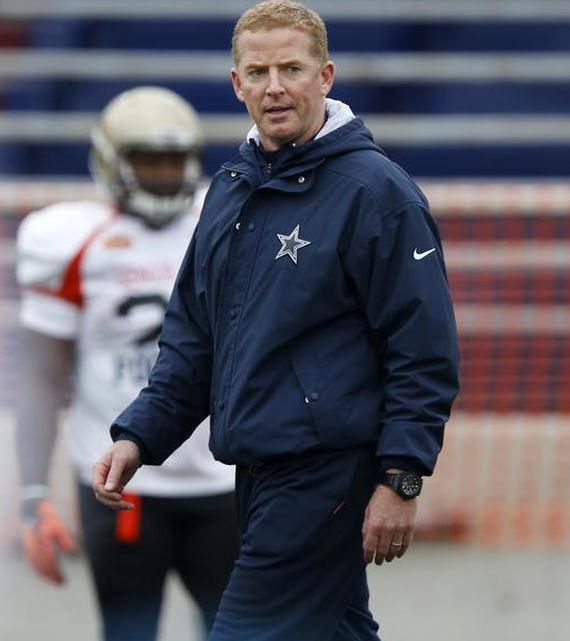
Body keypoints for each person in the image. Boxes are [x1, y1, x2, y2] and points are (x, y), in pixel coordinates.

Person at [90, 2, 461, 640]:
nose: (275, 87)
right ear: (236, 83)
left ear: (326, 76)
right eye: (258, 71)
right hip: (256, 467)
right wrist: (140, 437)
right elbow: (194, 338)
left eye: (292, 68)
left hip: (328, 470)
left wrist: (402, 476)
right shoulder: (230, 188)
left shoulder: (377, 192)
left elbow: (422, 348)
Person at [15, 86, 239, 640]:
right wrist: (32, 496)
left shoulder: (231, 224)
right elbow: (42, 377)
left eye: (174, 159)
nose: (164, 173)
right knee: (128, 632)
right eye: (148, 159)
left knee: (239, 632)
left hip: (228, 477)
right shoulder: (70, 239)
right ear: (113, 162)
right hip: (119, 483)